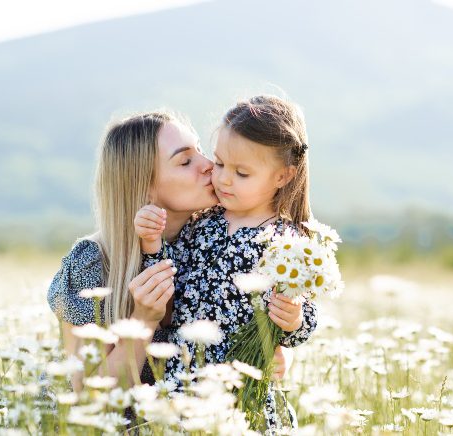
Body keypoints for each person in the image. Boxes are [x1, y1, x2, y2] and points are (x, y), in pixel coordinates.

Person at [47, 110, 293, 390]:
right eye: (186, 161)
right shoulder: (92, 262)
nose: (209, 165)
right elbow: (85, 392)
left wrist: (278, 349)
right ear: (144, 185)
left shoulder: (217, 238)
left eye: (201, 151)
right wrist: (144, 319)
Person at [135, 95, 317, 433]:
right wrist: (152, 243)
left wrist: (294, 319)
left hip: (242, 386)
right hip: (184, 377)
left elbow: (302, 319)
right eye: (219, 164)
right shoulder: (204, 221)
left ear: (282, 176)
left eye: (242, 173)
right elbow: (170, 282)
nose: (224, 179)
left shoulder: (286, 242)